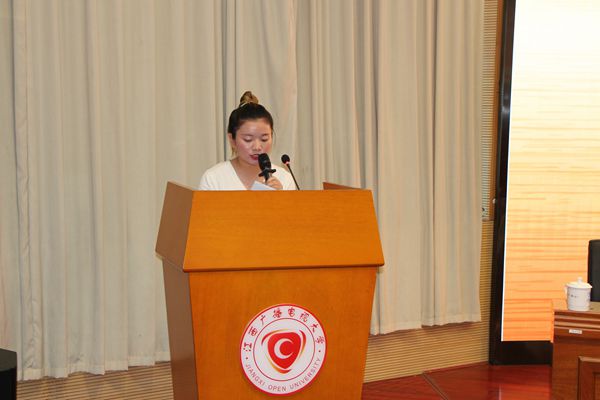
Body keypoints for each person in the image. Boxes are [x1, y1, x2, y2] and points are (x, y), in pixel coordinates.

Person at [199, 91, 296, 191]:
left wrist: (281, 197)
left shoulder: (285, 179)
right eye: (248, 139)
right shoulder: (213, 179)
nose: (257, 147)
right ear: (232, 140)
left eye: (264, 139)